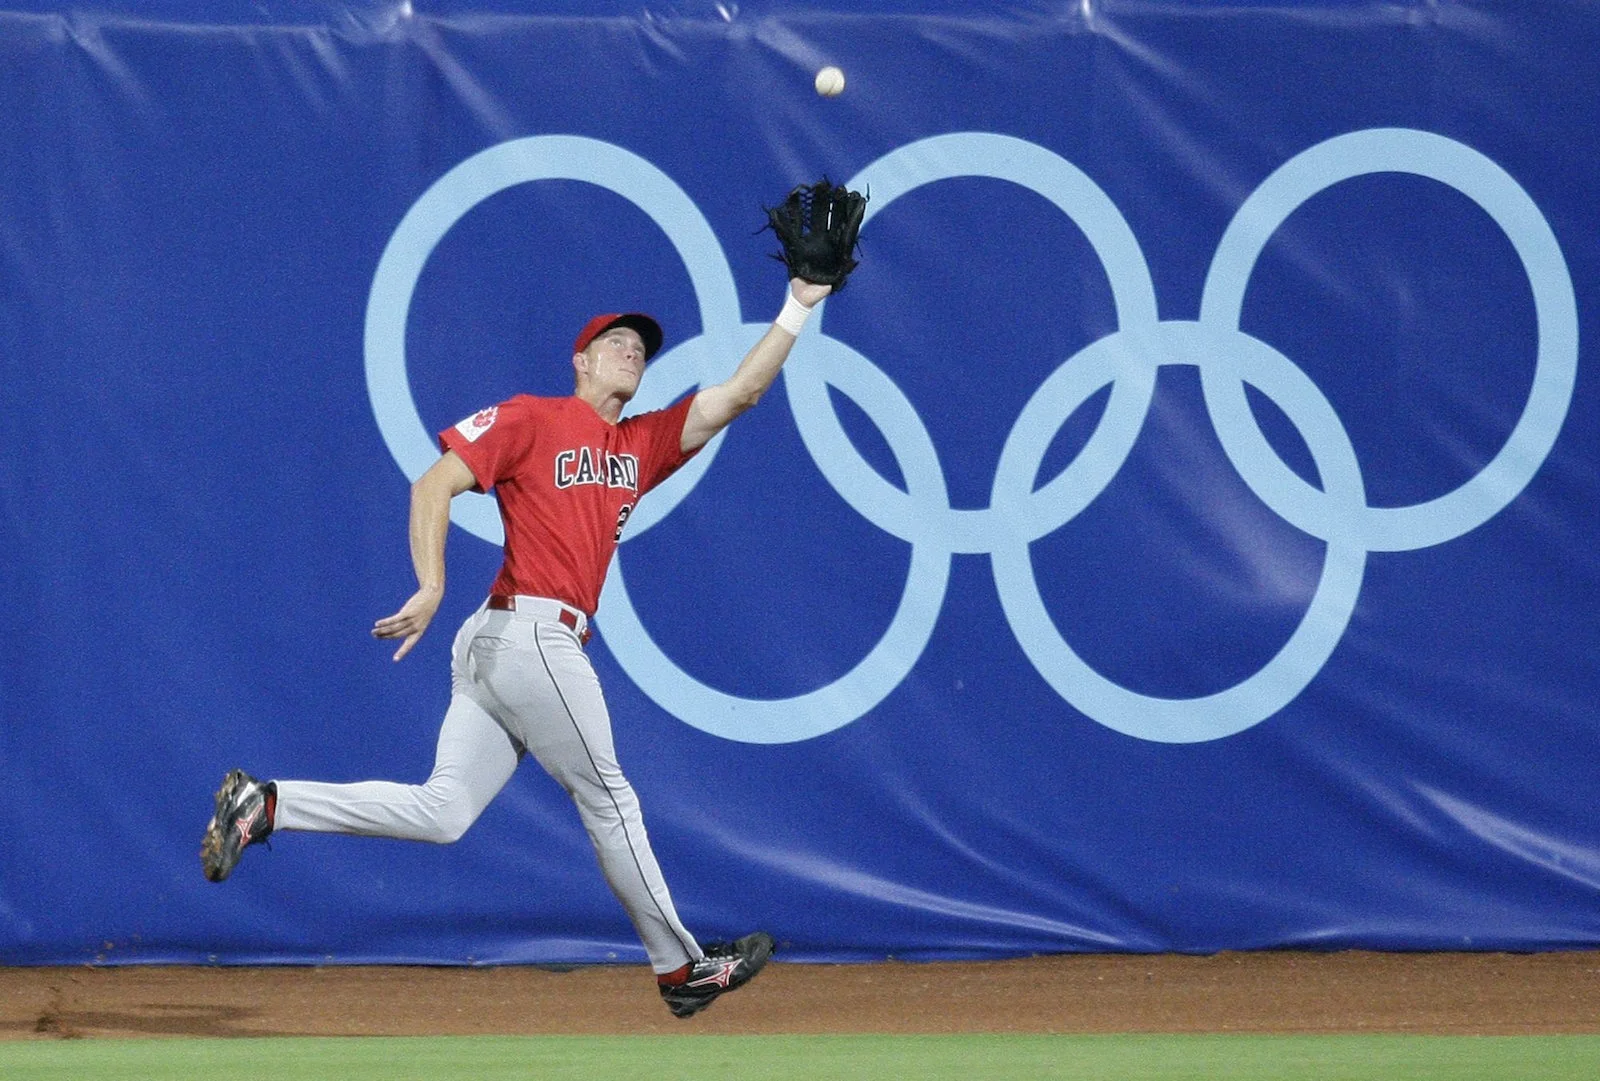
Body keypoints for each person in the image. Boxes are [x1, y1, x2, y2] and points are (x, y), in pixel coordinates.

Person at [201, 275, 833, 1019]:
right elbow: (433, 483)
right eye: (615, 343)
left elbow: (738, 394)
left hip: (509, 644)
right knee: (609, 796)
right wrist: (431, 583)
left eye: (641, 348)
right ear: (581, 362)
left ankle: (268, 803)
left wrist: (800, 302)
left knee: (443, 810)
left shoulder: (641, 443)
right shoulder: (534, 417)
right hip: (529, 634)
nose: (632, 351)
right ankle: (681, 968)